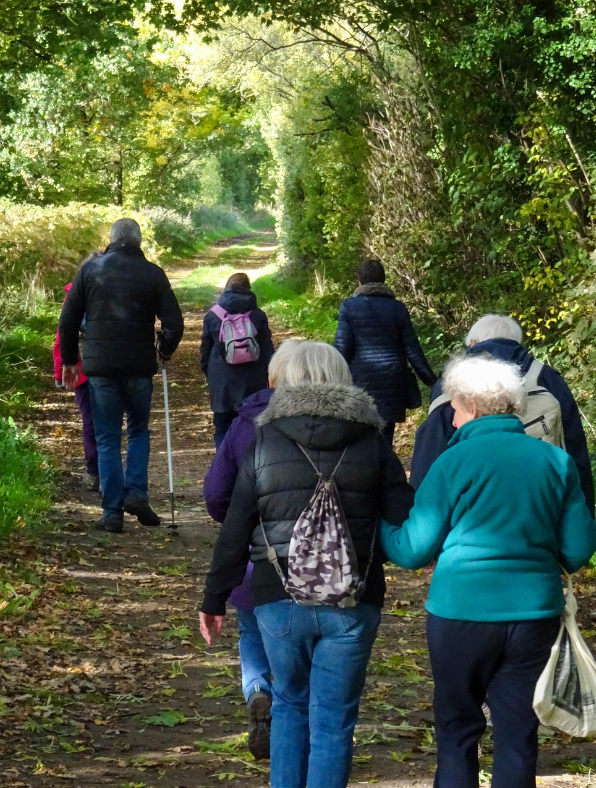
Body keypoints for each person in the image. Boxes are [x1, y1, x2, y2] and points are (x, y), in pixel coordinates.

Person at [199, 341, 414, 788]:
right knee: (334, 720)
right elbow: (401, 516)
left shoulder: (263, 440)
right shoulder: (372, 443)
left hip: (279, 598)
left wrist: (214, 599)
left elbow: (236, 527)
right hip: (353, 600)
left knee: (289, 704)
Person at [379, 354, 596, 788]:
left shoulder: (451, 463)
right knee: (518, 734)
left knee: (458, 729)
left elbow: (412, 551)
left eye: (455, 409)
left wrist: (377, 528)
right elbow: (577, 549)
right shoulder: (553, 461)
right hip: (534, 616)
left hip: (461, 613)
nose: (454, 421)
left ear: (473, 407)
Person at [202, 339, 301, 761]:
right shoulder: (342, 424)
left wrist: (241, 521)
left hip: (255, 554)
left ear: (273, 376)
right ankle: (285, 700)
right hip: (322, 562)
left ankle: (257, 690)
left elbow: (215, 494)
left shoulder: (246, 423)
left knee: (252, 629)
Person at [58, 218, 184, 533]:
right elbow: (174, 323)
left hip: (100, 368)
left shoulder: (91, 271)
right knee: (139, 431)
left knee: (108, 437)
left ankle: (112, 513)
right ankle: (137, 494)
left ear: (111, 239)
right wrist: (165, 350)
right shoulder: (153, 274)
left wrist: (71, 361)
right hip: (139, 366)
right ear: (139, 242)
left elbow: (68, 320)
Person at [409, 314, 595, 513]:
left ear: (472, 343)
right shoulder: (547, 378)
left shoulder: (452, 385)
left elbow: (429, 457)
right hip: (545, 509)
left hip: (472, 515)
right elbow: (575, 449)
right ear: (517, 343)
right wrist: (585, 513)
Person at [333, 259, 437, 447]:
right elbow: (412, 349)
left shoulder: (349, 306)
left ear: (360, 281)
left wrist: (330, 379)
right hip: (392, 383)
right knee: (385, 439)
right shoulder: (398, 308)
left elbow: (342, 348)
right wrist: (434, 382)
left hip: (361, 383)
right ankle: (386, 472)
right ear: (383, 280)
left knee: (361, 436)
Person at [200, 272, 275, 448]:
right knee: (251, 427)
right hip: (252, 380)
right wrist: (270, 375)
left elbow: (205, 350)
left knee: (222, 428)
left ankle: (224, 468)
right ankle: (248, 470)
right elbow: (267, 349)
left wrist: (208, 372)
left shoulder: (213, 315)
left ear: (226, 288)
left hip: (221, 380)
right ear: (249, 289)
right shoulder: (257, 315)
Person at [53, 281, 99, 492]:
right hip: (109, 366)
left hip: (80, 368)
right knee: (109, 422)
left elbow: (62, 334)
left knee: (90, 421)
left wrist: (59, 370)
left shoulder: (75, 293)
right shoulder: (114, 288)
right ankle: (107, 474)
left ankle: (94, 473)